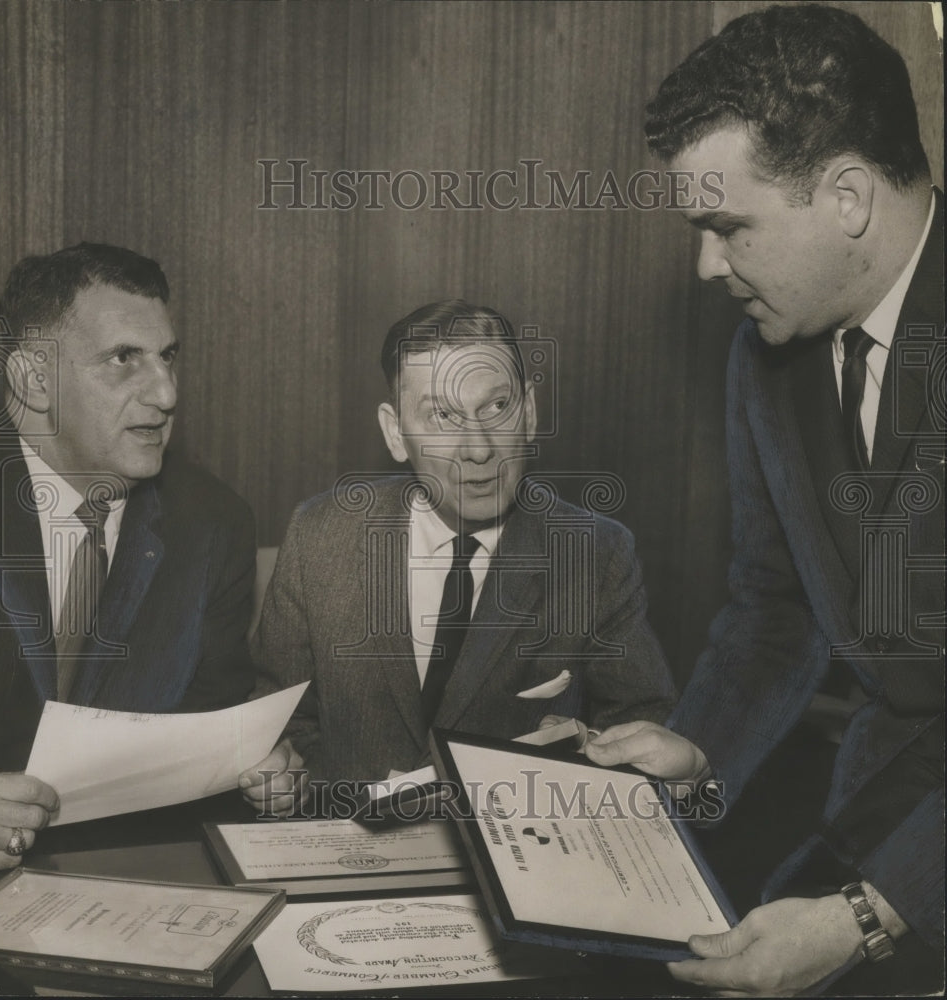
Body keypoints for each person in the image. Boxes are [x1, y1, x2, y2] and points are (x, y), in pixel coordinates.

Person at [585, 6, 944, 995]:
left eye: (726, 227)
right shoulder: (767, 352)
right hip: (875, 796)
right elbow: (773, 606)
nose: (706, 267)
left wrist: (873, 914)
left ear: (845, 197)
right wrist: (697, 747)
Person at [253, 299, 675, 791]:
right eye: (442, 416)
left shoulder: (595, 555)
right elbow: (282, 728)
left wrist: (585, 752)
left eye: (497, 407)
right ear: (395, 433)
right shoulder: (320, 535)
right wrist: (284, 781)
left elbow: (645, 733)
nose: (478, 449)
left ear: (530, 412)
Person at [0, 242, 301, 869]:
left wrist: (260, 770)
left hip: (138, 880)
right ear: (33, 378)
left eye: (168, 357)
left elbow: (216, 721)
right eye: (124, 359)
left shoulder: (212, 522)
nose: (165, 392)